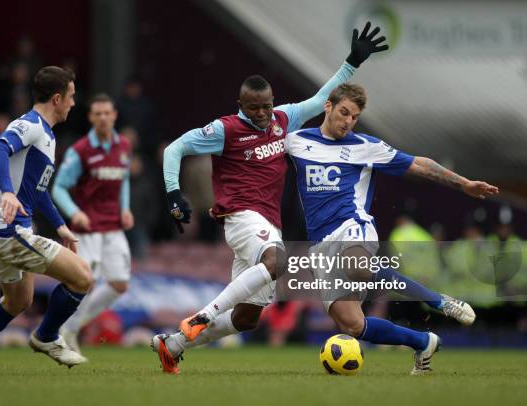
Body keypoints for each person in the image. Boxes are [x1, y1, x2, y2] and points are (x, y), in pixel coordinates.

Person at [152, 22, 389, 374]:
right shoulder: (225, 129)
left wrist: (351, 62)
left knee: (247, 318)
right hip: (241, 216)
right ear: (240, 105)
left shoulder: (283, 119)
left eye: (266, 106)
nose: (262, 114)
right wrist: (174, 192)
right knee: (277, 260)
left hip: (268, 221)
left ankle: (172, 345)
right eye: (253, 108)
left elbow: (320, 97)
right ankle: (203, 315)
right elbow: (176, 148)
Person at [284, 83, 498, 374]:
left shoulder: (365, 146)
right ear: (328, 107)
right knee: (352, 324)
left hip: (353, 227)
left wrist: (464, 184)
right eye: (344, 112)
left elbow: (420, 164)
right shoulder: (295, 142)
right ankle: (423, 342)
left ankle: (439, 301)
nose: (348, 121)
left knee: (357, 265)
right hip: (320, 244)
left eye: (355, 116)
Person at [0, 66, 93, 375]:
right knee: (82, 277)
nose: (74, 103)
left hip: (2, 230)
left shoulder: (47, 136)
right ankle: (47, 337)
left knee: (18, 300)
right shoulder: (31, 124)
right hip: (6, 229)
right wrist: (8, 194)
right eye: (71, 96)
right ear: (56, 98)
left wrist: (61, 226)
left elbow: (38, 192)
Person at [52, 93, 133, 354]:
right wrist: (74, 213)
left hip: (113, 225)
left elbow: (124, 180)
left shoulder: (123, 146)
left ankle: (70, 327)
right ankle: (63, 329)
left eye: (107, 113)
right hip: (87, 228)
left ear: (115, 115)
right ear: (90, 117)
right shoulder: (81, 151)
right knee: (86, 282)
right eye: (97, 113)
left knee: (119, 283)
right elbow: (59, 188)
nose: (103, 118)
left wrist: (125, 208)